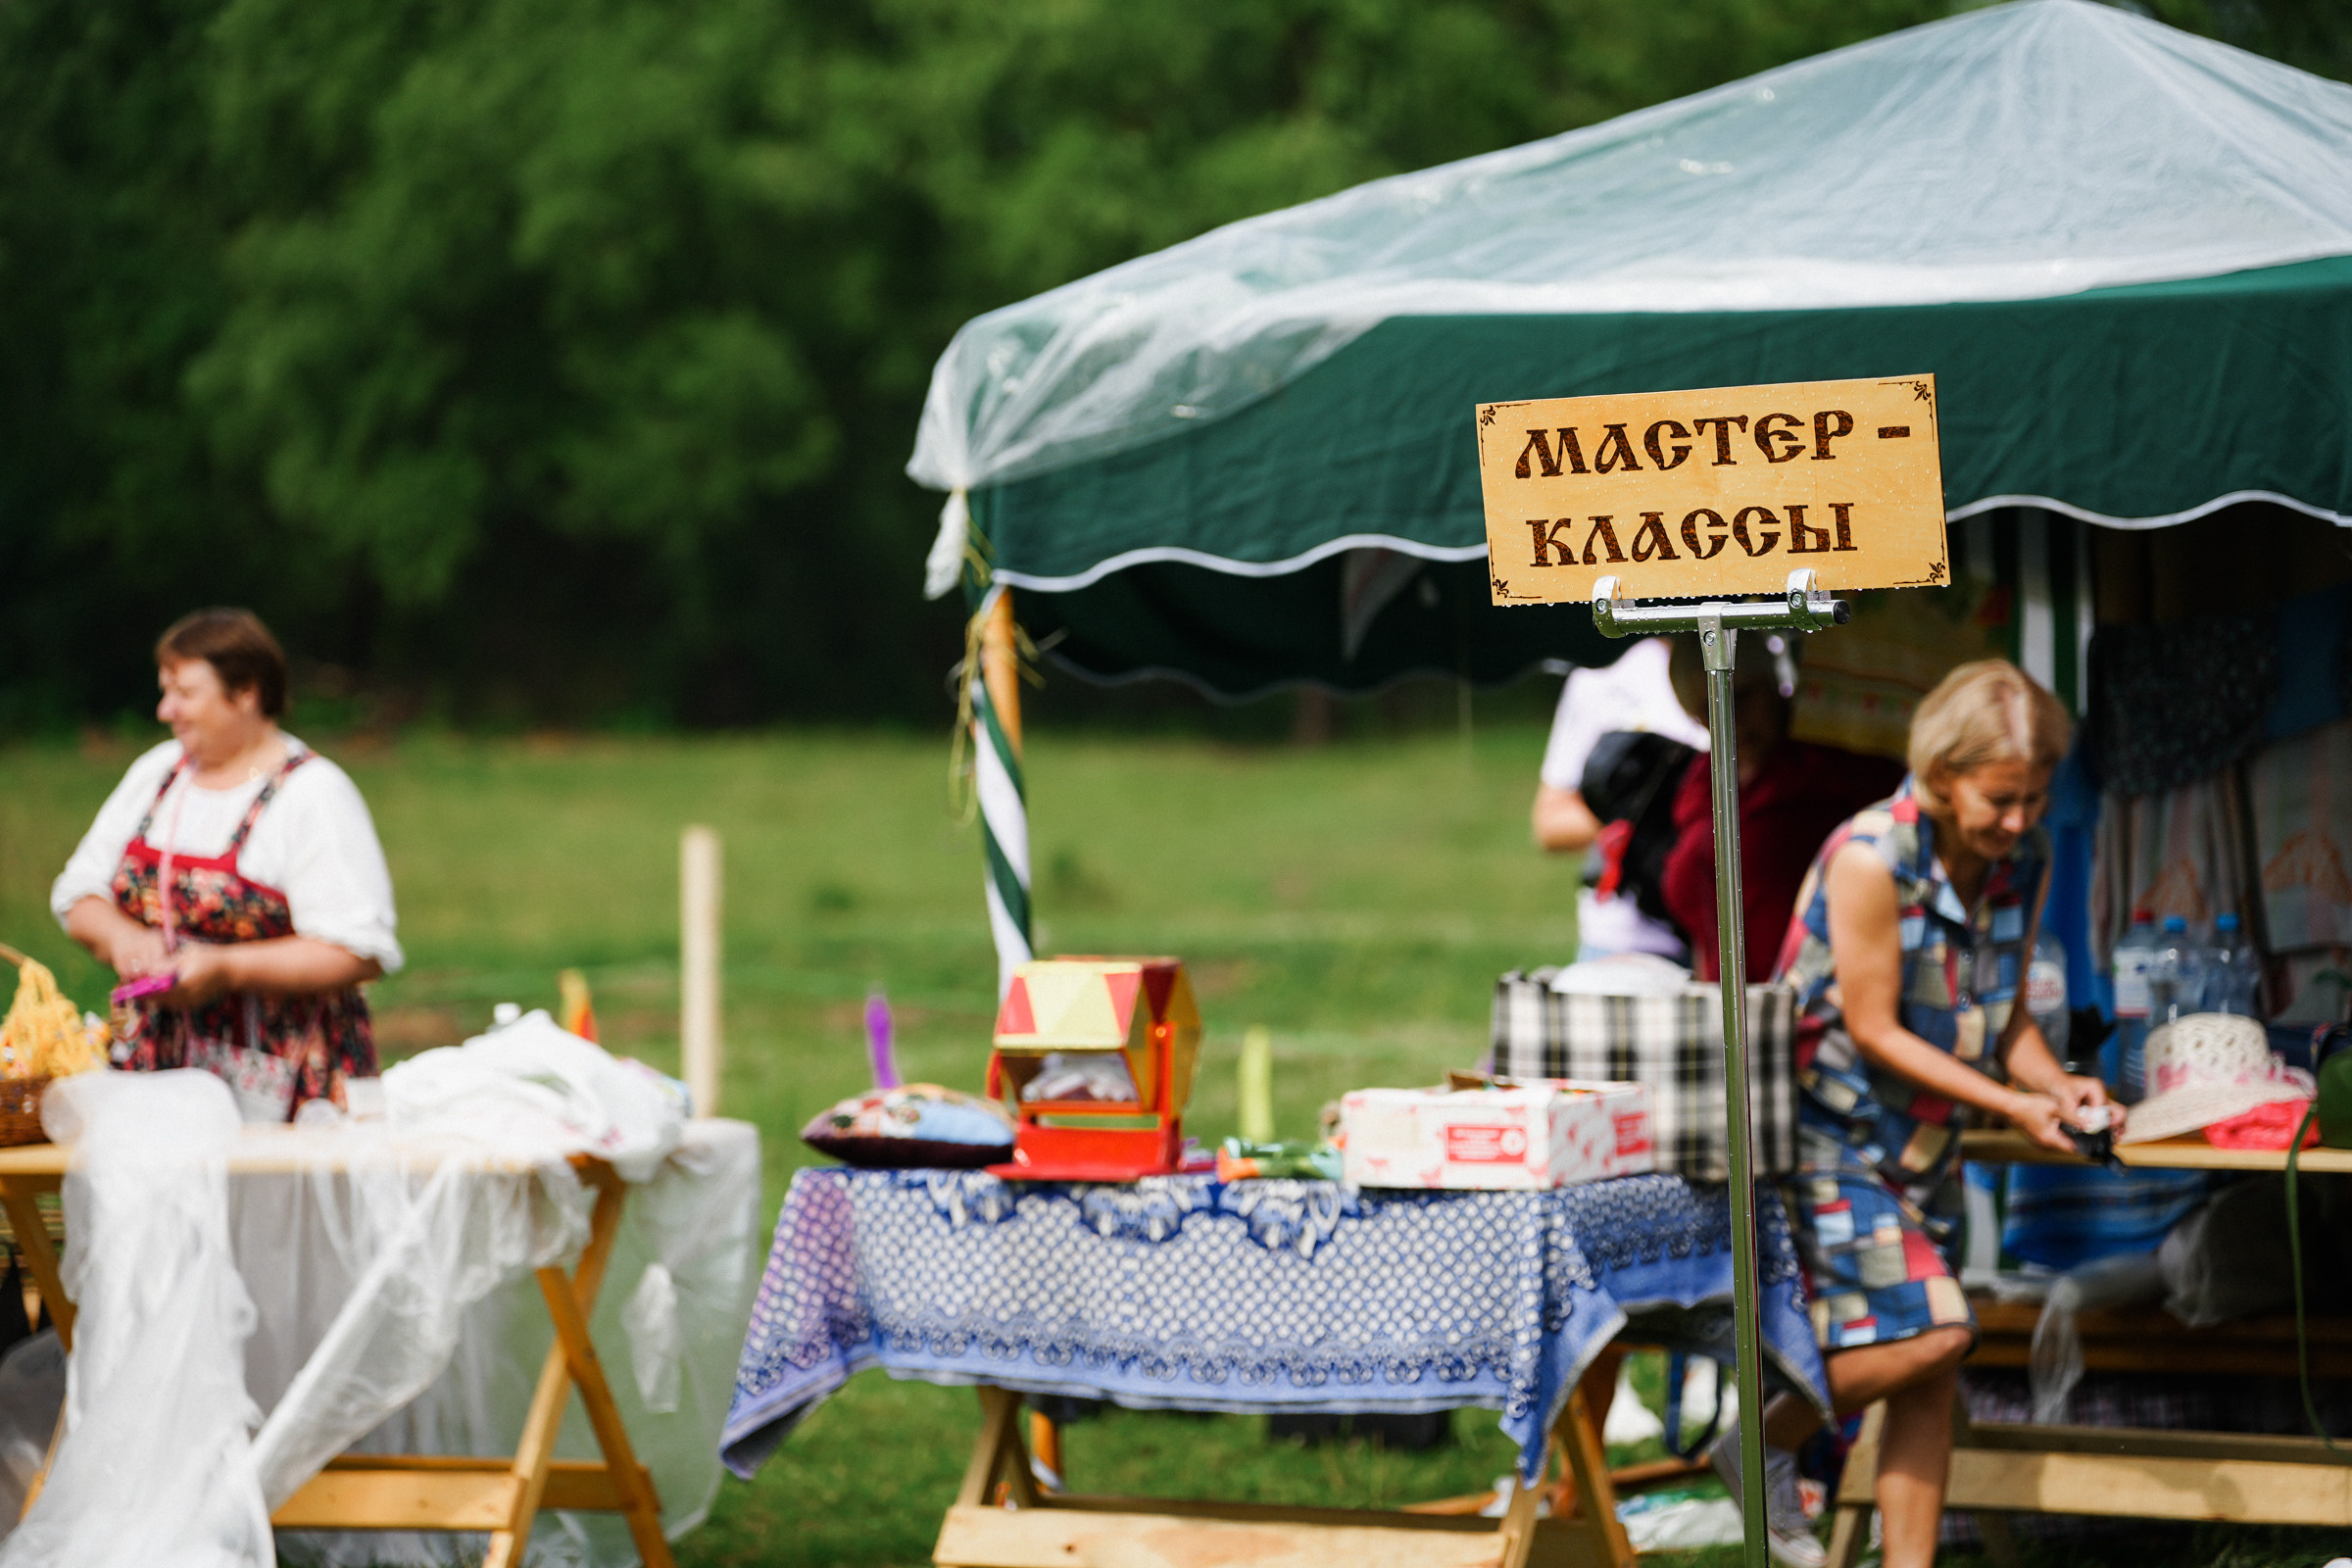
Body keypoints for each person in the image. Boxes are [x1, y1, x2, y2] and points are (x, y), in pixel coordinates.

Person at [1715, 661, 2117, 1568]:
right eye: (2000, 798)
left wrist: (2059, 1087)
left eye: (2035, 798)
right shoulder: (1868, 858)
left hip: (1922, 1141)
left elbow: (2003, 1015)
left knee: (1931, 1368)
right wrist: (2015, 1104)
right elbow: (1876, 1029)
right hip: (1823, 1135)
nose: (2019, 821)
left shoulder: (2026, 859)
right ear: (1942, 775)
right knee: (1938, 1332)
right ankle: (1763, 1440)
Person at [52, 609, 401, 1119]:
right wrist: (126, 940)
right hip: (159, 1079)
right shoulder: (158, 775)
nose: (166, 710)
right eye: (165, 689)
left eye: (185, 693)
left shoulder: (312, 794)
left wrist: (226, 970)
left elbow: (358, 950)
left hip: (291, 1090)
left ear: (246, 693)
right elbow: (78, 892)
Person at [1660, 634, 1903, 982]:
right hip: (1733, 1007)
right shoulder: (1701, 782)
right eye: (1707, 708)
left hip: (1819, 1000)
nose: (1730, 717)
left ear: (1775, 685)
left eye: (1742, 695)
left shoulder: (1832, 762)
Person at [1533, 637, 1709, 960]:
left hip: (1729, 930)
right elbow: (1550, 824)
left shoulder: (1766, 653)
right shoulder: (1604, 671)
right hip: (1626, 940)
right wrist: (1637, 805)